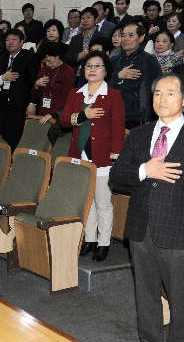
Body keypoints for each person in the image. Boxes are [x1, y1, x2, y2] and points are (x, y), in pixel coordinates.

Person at [110, 73, 184, 341]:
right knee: (146, 296)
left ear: (183, 99)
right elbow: (118, 174)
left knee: (181, 301)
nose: (162, 99)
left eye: (170, 93)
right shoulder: (139, 134)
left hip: (178, 232)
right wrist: (145, 170)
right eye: (157, 93)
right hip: (141, 229)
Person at [60, 51, 125, 262]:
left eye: (97, 66)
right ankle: (89, 239)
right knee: (86, 200)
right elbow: (63, 122)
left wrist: (116, 156)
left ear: (105, 71)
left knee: (103, 202)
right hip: (80, 155)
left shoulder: (113, 95)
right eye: (88, 66)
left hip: (104, 157)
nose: (92, 70)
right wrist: (83, 115)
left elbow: (118, 128)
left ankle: (103, 242)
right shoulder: (75, 94)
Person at [0, 28, 38, 151]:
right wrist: (3, 77)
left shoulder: (29, 57)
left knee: (15, 139)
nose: (10, 42)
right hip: (2, 105)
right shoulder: (1, 58)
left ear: (22, 41)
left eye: (14, 40)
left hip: (20, 105)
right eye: (7, 40)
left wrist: (33, 102)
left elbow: (35, 83)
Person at [109, 23, 163, 129]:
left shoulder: (149, 60)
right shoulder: (114, 60)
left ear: (141, 38)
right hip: (113, 112)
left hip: (137, 116)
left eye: (130, 35)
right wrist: (119, 76)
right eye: (123, 35)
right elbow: (103, 85)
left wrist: (149, 118)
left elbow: (155, 90)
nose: (125, 39)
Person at [31, 42, 75, 123]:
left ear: (57, 55)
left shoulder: (68, 71)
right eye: (45, 62)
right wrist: (37, 84)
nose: (48, 64)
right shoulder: (43, 71)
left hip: (58, 114)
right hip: (43, 111)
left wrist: (52, 114)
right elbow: (35, 94)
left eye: (49, 60)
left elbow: (67, 97)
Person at [65, 7, 100, 86]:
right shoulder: (75, 38)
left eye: (88, 17)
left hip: (94, 78)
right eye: (83, 18)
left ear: (96, 19)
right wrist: (79, 56)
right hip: (75, 78)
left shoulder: (101, 38)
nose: (85, 20)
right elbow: (67, 58)